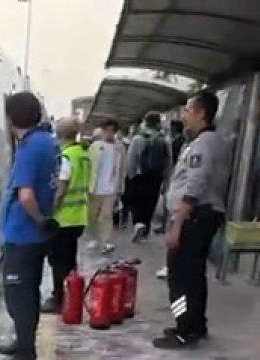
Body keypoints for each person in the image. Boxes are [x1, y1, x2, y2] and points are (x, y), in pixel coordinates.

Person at [154, 91, 232, 350]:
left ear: (200, 113)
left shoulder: (203, 144)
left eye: (188, 110)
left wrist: (177, 223)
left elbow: (195, 185)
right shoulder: (208, 141)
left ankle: (184, 328)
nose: (184, 115)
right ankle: (194, 324)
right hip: (202, 215)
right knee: (194, 274)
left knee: (180, 275)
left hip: (195, 216)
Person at [0, 91, 59, 360]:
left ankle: (25, 356)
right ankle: (23, 343)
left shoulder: (29, 147)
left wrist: (37, 218)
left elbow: (25, 195)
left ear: (12, 117)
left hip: (23, 234)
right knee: (28, 293)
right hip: (36, 236)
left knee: (18, 296)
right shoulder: (49, 142)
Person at [44, 117, 90, 313]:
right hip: (79, 217)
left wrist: (49, 212)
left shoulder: (66, 157)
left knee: (58, 260)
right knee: (70, 259)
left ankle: (59, 298)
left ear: (59, 134)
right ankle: (73, 295)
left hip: (63, 218)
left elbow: (61, 190)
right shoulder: (82, 154)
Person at [125, 112, 171, 242]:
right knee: (150, 203)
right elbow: (169, 162)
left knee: (137, 203)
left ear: (146, 122)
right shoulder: (164, 139)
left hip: (140, 177)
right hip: (156, 178)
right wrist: (166, 180)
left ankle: (137, 224)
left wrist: (130, 176)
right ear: (158, 123)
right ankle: (145, 231)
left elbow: (131, 159)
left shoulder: (138, 138)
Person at [88, 119, 123, 252]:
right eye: (107, 130)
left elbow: (121, 168)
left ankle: (106, 241)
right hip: (95, 186)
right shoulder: (95, 146)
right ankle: (93, 237)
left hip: (110, 188)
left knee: (106, 215)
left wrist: (120, 187)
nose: (109, 133)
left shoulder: (119, 148)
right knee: (92, 215)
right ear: (103, 131)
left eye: (112, 131)